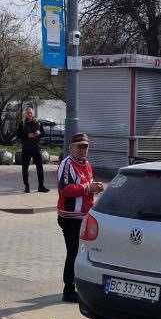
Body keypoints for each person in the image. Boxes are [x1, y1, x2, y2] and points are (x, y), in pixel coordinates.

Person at [56, 133, 104, 303]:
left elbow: (87, 187)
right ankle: (68, 290)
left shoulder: (87, 164)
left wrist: (96, 188)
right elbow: (65, 189)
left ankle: (79, 284)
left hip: (84, 217)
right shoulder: (67, 164)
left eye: (85, 147)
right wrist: (88, 188)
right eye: (79, 147)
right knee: (74, 252)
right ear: (71, 147)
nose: (83, 150)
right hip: (70, 218)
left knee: (82, 253)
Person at [19, 107, 48, 193]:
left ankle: (41, 186)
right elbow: (18, 135)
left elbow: (43, 133)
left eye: (31, 113)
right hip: (26, 148)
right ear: (25, 114)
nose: (29, 114)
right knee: (25, 168)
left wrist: (39, 133)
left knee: (40, 167)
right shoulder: (22, 123)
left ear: (33, 114)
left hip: (36, 148)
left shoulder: (38, 122)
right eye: (28, 113)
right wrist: (27, 135)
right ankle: (27, 186)